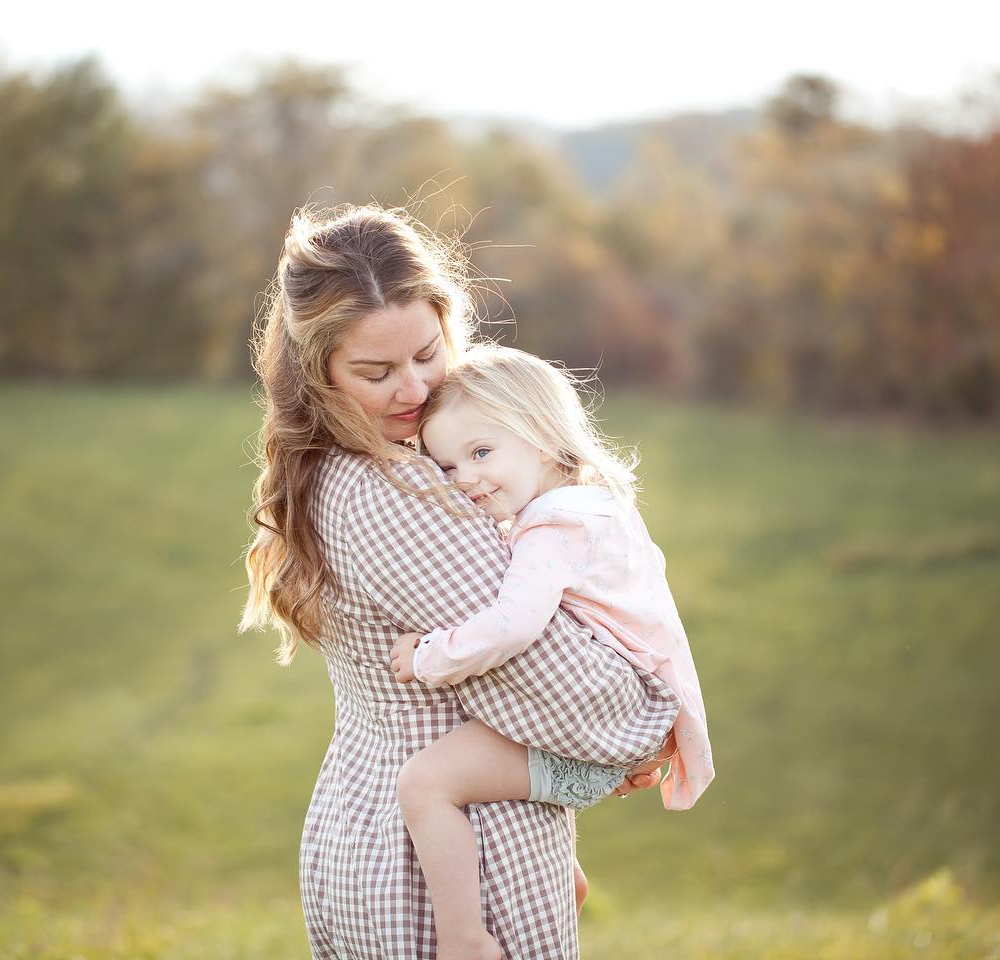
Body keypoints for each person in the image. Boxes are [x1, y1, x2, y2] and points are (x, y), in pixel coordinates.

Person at [239, 203, 680, 960]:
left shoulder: (349, 468)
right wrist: (644, 729)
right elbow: (543, 668)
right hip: (456, 869)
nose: (412, 388)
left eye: (426, 353)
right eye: (375, 373)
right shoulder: (396, 494)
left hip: (369, 831)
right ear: (317, 374)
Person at [387, 345, 714, 960]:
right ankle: (563, 882)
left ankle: (464, 941)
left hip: (606, 726)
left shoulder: (552, 528)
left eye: (481, 452)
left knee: (425, 783)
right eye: (447, 466)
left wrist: (430, 656)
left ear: (541, 437)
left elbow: (514, 625)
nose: (465, 479)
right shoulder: (601, 507)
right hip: (628, 718)